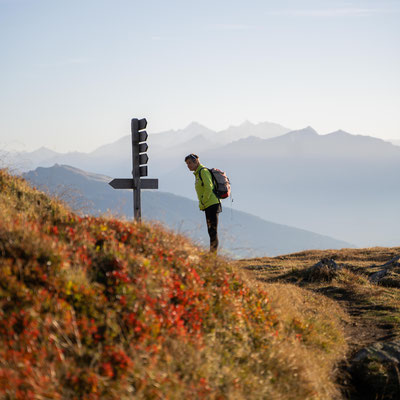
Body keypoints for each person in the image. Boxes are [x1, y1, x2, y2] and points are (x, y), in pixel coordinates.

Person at [185, 153, 221, 253]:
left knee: (213, 230)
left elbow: (209, 188)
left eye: (189, 163)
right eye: (187, 164)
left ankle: (213, 255)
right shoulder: (198, 173)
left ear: (196, 162)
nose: (188, 166)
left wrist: (203, 202)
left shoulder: (203, 171)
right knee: (211, 230)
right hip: (208, 204)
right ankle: (212, 254)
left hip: (212, 204)